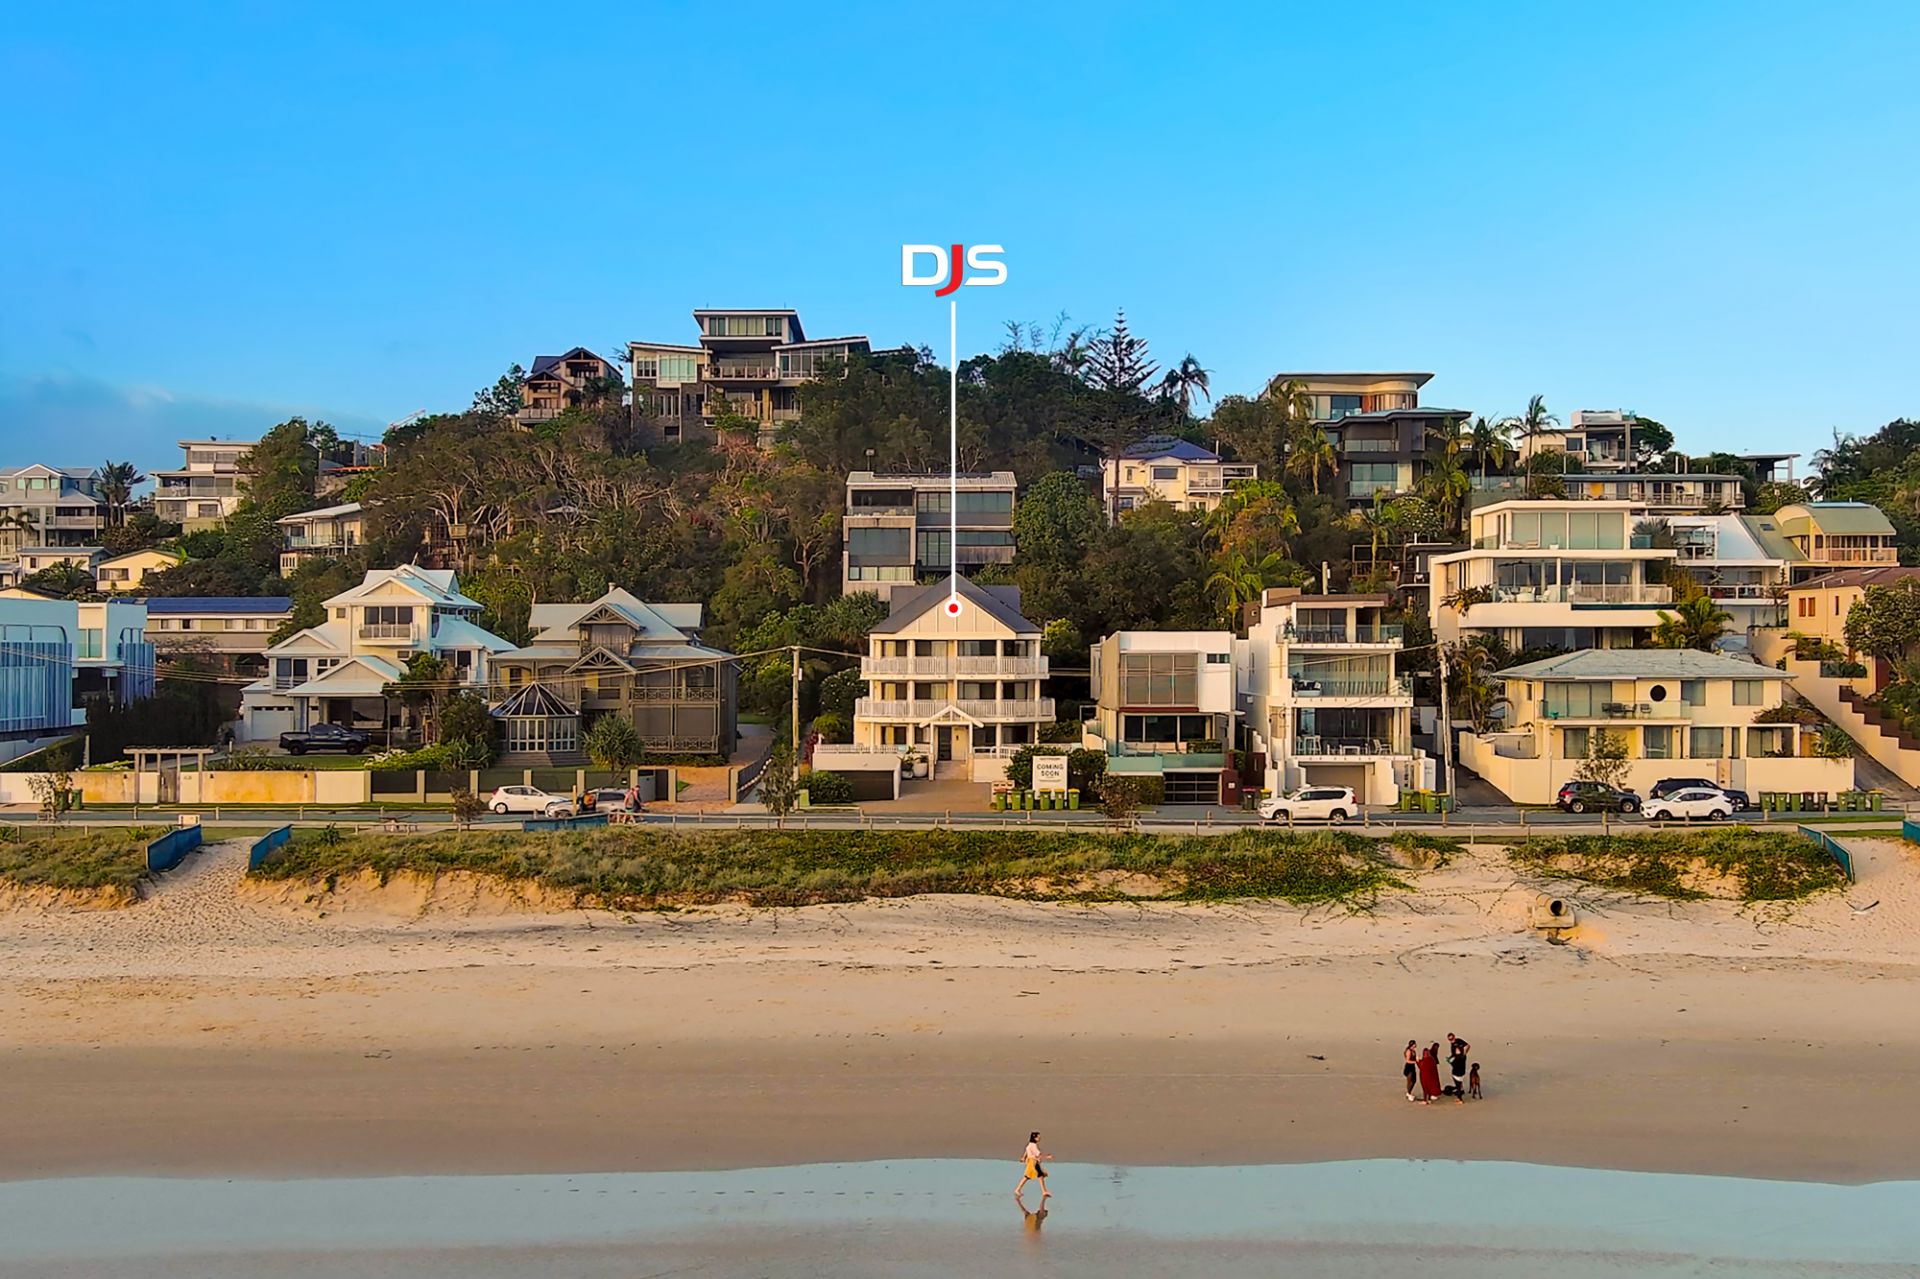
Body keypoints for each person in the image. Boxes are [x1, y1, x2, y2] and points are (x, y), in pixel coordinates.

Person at [1016, 1131, 1052, 1198]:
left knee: (1036, 1176)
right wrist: (1047, 1157)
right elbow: (1038, 1155)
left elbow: (1026, 1151)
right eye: (1038, 1137)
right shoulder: (1033, 1145)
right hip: (1033, 1162)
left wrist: (1023, 1157)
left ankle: (1044, 1191)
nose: (1039, 1138)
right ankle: (1018, 1189)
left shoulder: (1030, 1144)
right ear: (1034, 1138)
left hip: (1031, 1162)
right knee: (1032, 1176)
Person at [1449, 1040, 1469, 1104]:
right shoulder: (1463, 1057)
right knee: (1459, 1085)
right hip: (1462, 1072)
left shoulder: (1457, 1058)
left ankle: (1460, 1099)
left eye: (1457, 1050)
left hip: (1456, 1073)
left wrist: (1450, 1062)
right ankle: (1459, 1097)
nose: (1456, 1051)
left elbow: (1454, 1065)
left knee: (1458, 1086)